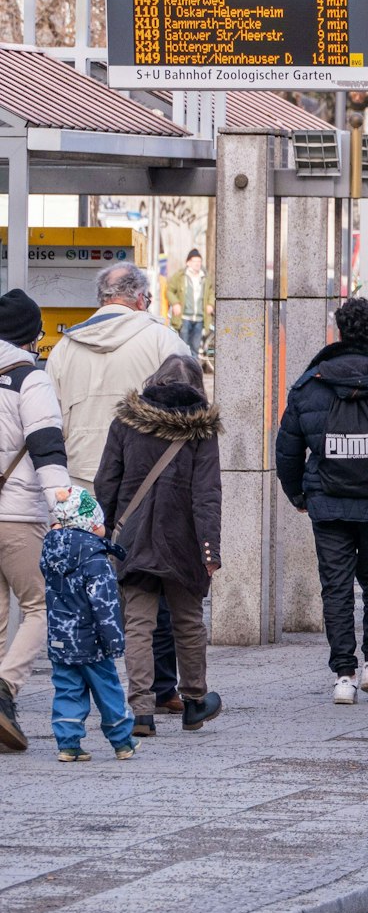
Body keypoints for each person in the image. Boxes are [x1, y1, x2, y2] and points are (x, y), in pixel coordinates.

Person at [46, 262, 189, 715]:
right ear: (141, 297)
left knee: (81, 585)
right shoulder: (163, 340)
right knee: (150, 576)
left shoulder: (65, 347)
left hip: (79, 482)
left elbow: (51, 420)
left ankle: (86, 685)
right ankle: (161, 687)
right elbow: (189, 408)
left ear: (101, 299)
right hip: (144, 483)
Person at [275, 298, 368, 704]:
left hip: (327, 502)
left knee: (336, 587)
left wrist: (298, 494)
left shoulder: (310, 384)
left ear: (338, 332)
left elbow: (288, 450)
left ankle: (344, 673)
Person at [96, 354, 224, 736]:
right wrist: (210, 550)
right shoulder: (201, 429)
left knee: (138, 623)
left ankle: (141, 712)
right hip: (182, 541)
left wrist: (105, 531)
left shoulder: (126, 421)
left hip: (133, 538)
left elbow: (106, 481)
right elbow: (207, 495)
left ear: (155, 380)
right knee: (188, 622)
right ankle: (195, 702)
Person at [0, 289, 74, 751]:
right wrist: (63, 509)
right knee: (42, 605)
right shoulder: (30, 378)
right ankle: (4, 688)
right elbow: (47, 447)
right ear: (30, 336)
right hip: (18, 515)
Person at [41, 486, 136, 761]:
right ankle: (122, 742)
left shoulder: (49, 554)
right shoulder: (96, 560)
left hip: (60, 638)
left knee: (67, 689)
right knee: (107, 689)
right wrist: (114, 641)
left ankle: (68, 744)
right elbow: (105, 605)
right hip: (92, 641)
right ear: (92, 526)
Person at [165, 249, 213, 359]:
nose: (197, 264)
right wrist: (175, 303)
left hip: (199, 318)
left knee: (195, 349)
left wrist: (210, 304)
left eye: (199, 261)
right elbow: (169, 290)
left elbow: (211, 292)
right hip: (184, 318)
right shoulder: (180, 276)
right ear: (188, 262)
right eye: (194, 261)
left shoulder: (205, 277)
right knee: (183, 348)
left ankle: (193, 369)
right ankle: (183, 369)